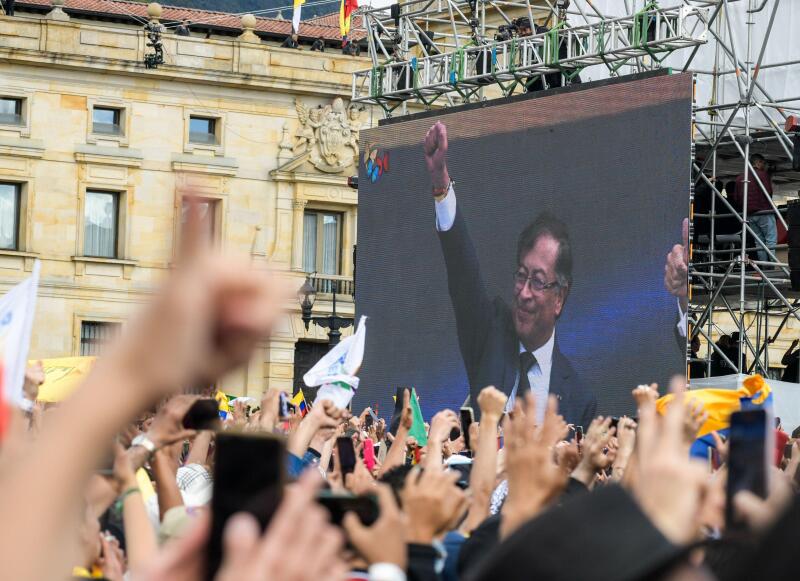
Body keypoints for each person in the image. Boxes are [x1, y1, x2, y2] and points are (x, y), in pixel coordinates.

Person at [422, 121, 596, 428]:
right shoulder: (490, 334)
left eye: (539, 281)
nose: (524, 293)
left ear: (560, 298)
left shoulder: (579, 398)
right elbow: (463, 273)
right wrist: (440, 184)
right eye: (521, 276)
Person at [730, 153, 776, 264]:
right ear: (758, 162)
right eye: (763, 163)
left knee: (758, 242)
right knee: (770, 240)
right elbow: (768, 192)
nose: (764, 165)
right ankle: (773, 265)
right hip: (764, 211)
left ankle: (763, 266)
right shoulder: (763, 175)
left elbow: (736, 197)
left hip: (750, 214)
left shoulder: (740, 178)